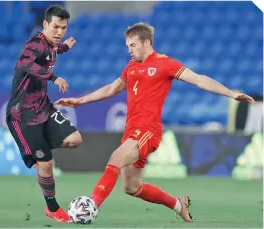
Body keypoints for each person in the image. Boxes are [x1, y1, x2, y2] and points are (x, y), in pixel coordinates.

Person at [56, 22, 256, 222]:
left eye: (133, 45)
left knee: (115, 159)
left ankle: (89, 209)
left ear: (147, 42)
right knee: (131, 187)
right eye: (128, 46)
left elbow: (199, 79)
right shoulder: (131, 67)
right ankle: (178, 205)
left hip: (148, 130)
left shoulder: (164, 63)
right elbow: (111, 88)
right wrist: (80, 101)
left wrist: (231, 93)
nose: (130, 50)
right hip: (131, 131)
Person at [6, 5, 82, 223]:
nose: (59, 32)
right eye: (56, 27)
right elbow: (25, 63)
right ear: (45, 24)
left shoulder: (51, 44)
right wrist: (54, 77)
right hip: (23, 115)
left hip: (43, 107)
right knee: (47, 165)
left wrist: (64, 48)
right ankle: (52, 207)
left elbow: (52, 51)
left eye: (64, 28)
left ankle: (41, 154)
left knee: (75, 138)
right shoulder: (35, 43)